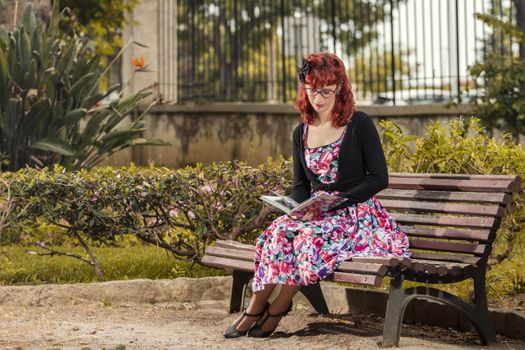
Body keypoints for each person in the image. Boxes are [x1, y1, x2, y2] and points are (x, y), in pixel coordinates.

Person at [224, 52, 411, 339]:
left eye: (326, 91)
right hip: (318, 214)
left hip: (356, 215)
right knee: (277, 232)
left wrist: (338, 200)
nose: (319, 98)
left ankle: (278, 307)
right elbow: (301, 184)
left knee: (306, 238)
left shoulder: (358, 123)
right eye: (312, 89)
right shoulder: (301, 131)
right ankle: (256, 306)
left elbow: (378, 178)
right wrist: (298, 207)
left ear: (340, 88)